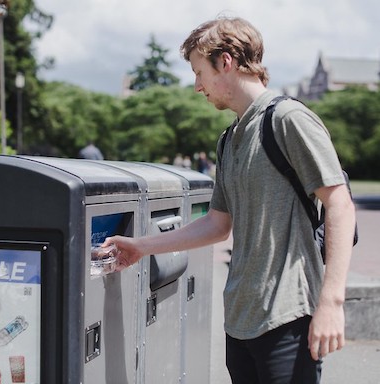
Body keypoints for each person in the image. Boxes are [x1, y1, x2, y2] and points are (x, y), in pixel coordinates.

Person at [103, 16, 356, 384]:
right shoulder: (229, 139)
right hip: (240, 321)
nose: (196, 87)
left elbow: (341, 205)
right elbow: (217, 225)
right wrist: (140, 246)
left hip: (287, 316)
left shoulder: (288, 119)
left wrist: (332, 303)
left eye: (198, 72)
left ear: (226, 62)